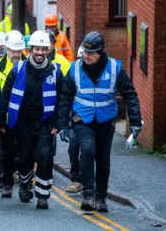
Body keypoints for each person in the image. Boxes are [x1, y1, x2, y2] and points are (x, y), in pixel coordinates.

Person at [57, 31, 142, 212]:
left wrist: (135, 121)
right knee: (87, 150)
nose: (86, 56)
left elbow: (130, 94)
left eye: (91, 53)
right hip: (82, 118)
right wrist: (62, 124)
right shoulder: (74, 69)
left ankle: (100, 197)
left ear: (101, 52)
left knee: (103, 160)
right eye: (84, 52)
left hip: (105, 120)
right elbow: (65, 97)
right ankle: (88, 194)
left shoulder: (114, 68)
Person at [0, 30, 63, 210]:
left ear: (48, 50)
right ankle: (26, 184)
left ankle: (43, 195)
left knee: (44, 155)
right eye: (37, 49)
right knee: (24, 156)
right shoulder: (18, 69)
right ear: (30, 49)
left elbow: (63, 99)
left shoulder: (55, 71)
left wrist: (59, 122)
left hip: (45, 121)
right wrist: (0, 121)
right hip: (23, 121)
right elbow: (5, 96)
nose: (40, 53)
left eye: (44, 49)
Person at [0, 30, 27, 197]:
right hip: (6, 117)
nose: (15, 54)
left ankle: (24, 181)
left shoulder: (28, 66)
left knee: (24, 152)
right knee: (6, 152)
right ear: (6, 49)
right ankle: (7, 183)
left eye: (18, 51)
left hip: (24, 117)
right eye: (13, 51)